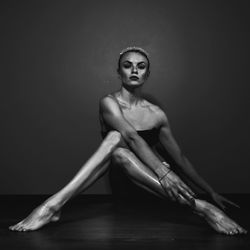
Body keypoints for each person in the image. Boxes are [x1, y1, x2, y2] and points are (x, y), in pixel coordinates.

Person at [9, 47, 247, 235]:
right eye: (128, 66)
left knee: (121, 149)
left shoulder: (156, 114)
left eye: (141, 67)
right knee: (118, 142)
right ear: (119, 71)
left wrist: (210, 190)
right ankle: (202, 209)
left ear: (147, 74)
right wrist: (163, 172)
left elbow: (180, 158)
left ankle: (53, 206)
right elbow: (130, 136)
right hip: (124, 179)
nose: (134, 70)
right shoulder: (109, 102)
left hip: (151, 186)